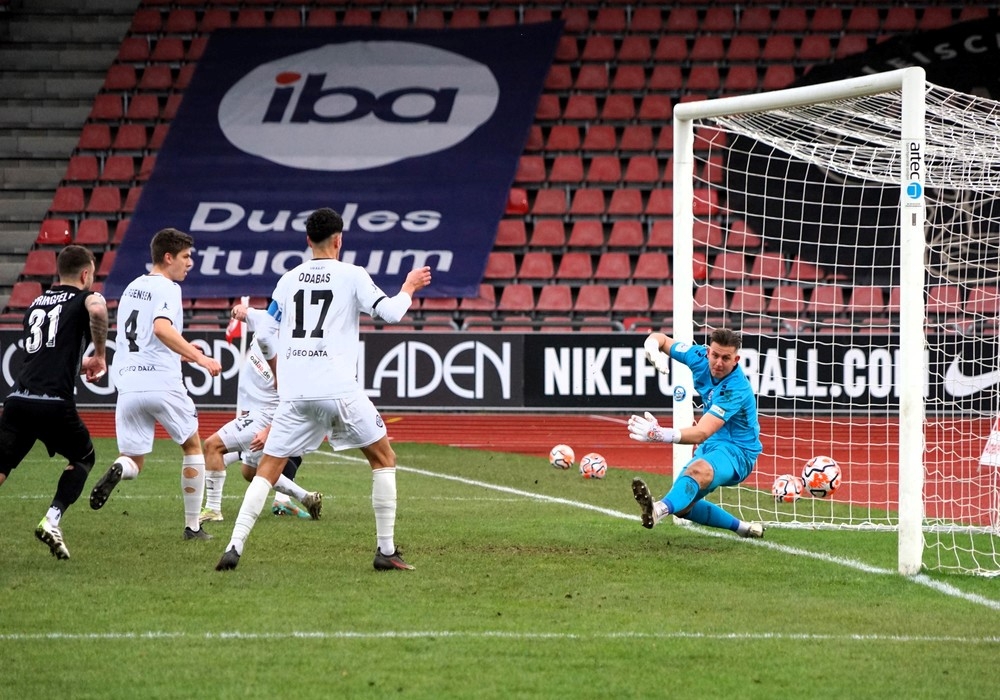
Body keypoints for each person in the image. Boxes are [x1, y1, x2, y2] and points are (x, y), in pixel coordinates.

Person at [216, 207, 431, 571]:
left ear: (307, 241)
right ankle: (385, 551)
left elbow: (265, 333)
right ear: (338, 240)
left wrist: (279, 370)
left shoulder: (288, 280)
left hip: (295, 395)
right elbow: (392, 313)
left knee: (266, 470)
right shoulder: (352, 275)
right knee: (383, 459)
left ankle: (233, 547)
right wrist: (409, 287)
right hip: (339, 390)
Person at [89, 228, 221, 540]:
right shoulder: (169, 288)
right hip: (161, 382)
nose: (190, 263)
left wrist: (181, 353)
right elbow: (161, 329)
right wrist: (199, 358)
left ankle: (120, 468)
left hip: (129, 383)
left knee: (133, 460)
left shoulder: (132, 287)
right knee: (192, 446)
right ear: (168, 257)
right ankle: (193, 526)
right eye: (186, 257)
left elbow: (140, 336)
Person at [0, 245, 108, 559]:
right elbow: (98, 311)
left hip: (18, 399)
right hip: (53, 403)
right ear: (86, 274)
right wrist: (100, 355)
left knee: (2, 466)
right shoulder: (86, 298)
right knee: (83, 457)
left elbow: (49, 355)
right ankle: (52, 519)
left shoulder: (37, 302)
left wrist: (82, 364)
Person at [629, 328, 765, 539]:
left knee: (697, 471)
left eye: (726, 358)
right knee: (684, 504)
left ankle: (658, 510)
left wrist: (660, 434)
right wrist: (652, 346)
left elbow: (702, 432)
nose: (718, 363)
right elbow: (662, 339)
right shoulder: (699, 356)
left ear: (736, 360)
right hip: (712, 445)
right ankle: (743, 528)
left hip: (738, 451)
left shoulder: (736, 388)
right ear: (708, 352)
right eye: (715, 355)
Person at [200, 301, 322, 524]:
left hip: (267, 415)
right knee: (250, 472)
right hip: (252, 410)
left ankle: (213, 509)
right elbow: (243, 312)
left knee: (212, 445)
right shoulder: (267, 320)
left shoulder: (297, 352)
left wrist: (269, 430)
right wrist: (238, 310)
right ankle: (305, 497)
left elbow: (293, 401)